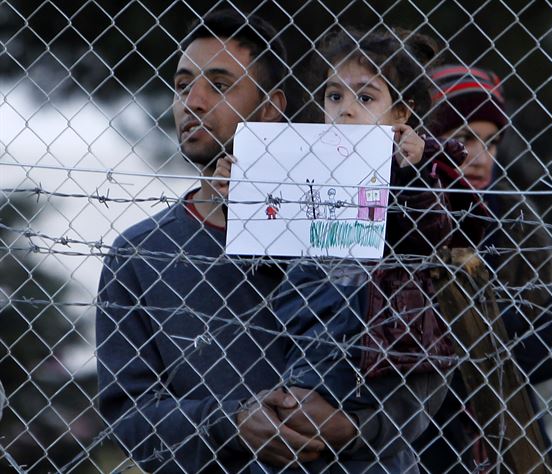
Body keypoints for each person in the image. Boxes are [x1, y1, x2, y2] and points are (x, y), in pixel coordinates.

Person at [96, 10, 456, 473]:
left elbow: (421, 358)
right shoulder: (141, 254)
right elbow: (127, 414)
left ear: (271, 107)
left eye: (220, 85)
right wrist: (227, 424)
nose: (194, 102)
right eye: (183, 85)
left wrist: (357, 425)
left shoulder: (371, 221)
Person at [252, 29, 489, 473]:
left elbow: (431, 233)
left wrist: (414, 171)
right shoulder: (303, 164)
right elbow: (267, 248)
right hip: (301, 328)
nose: (345, 111)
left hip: (371, 342)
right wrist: (247, 185)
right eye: (334, 96)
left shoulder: (411, 169)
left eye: (365, 98)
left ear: (400, 112)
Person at [414, 65, 552, 473]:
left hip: (508, 437)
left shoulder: (515, 220)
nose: (481, 158)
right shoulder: (396, 211)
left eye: (493, 141)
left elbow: (551, 348)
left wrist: (447, 341)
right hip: (414, 438)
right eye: (463, 138)